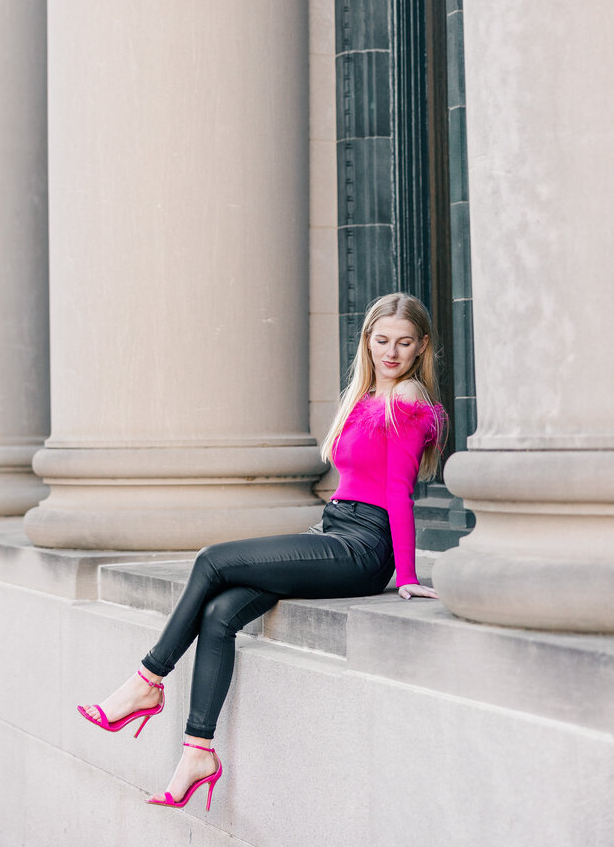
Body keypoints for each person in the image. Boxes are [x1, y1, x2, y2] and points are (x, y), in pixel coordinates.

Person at [77, 291, 448, 811]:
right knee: (220, 610)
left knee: (212, 560)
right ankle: (197, 752)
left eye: (404, 343)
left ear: (420, 347)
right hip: (336, 530)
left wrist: (404, 574)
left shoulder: (406, 400)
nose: (391, 352)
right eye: (381, 340)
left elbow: (397, 492)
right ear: (367, 340)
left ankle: (146, 681)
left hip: (365, 547)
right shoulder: (364, 396)